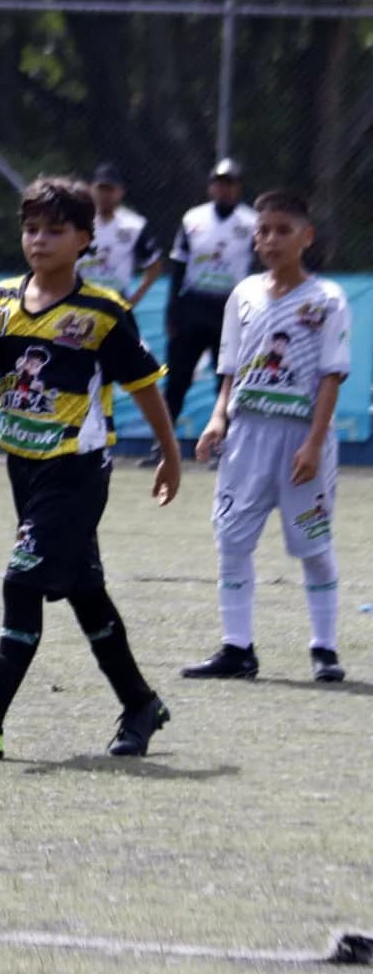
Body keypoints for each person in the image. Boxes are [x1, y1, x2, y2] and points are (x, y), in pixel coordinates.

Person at [0, 175, 182, 762]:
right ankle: (141, 703)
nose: (38, 240)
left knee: (22, 580)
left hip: (78, 469)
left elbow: (144, 388)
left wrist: (170, 454)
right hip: (25, 468)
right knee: (85, 592)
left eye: (55, 230)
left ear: (85, 239)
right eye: (30, 228)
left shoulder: (103, 313)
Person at [181, 189, 350, 683]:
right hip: (246, 435)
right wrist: (218, 418)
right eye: (263, 231)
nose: (270, 239)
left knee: (313, 544)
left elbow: (330, 376)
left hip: (300, 435)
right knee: (231, 539)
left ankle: (324, 648)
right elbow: (230, 368)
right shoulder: (244, 295)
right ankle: (237, 649)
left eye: (282, 230)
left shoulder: (327, 301)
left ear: (306, 237)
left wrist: (315, 443)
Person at [144, 157, 257, 468]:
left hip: (231, 306)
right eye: (219, 183)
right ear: (211, 187)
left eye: (230, 183)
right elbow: (179, 264)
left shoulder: (251, 222)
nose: (224, 189)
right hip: (193, 305)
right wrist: (173, 308)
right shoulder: (194, 219)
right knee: (177, 378)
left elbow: (258, 266)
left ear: (238, 188)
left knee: (227, 378)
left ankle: (224, 448)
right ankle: (162, 447)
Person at [77, 162, 162, 308]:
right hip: (80, 299)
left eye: (110, 190)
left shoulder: (134, 226)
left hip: (115, 300)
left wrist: (133, 301)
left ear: (121, 192)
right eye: (101, 189)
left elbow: (154, 266)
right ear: (91, 189)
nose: (105, 195)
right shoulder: (77, 221)